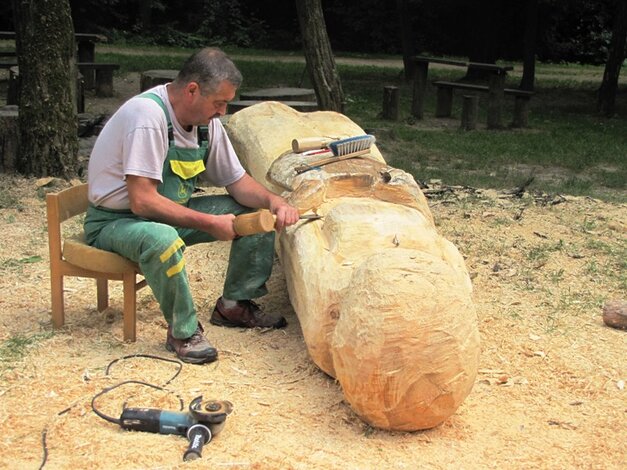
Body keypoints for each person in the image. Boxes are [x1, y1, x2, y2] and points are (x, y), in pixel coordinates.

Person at [84, 48, 300, 365]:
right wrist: (208, 223)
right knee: (163, 240)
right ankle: (183, 332)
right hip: (117, 223)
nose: (223, 111)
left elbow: (237, 181)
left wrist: (273, 200)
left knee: (255, 216)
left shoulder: (204, 121)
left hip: (166, 213)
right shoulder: (148, 116)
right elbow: (142, 201)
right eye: (219, 103)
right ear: (192, 90)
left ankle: (234, 305)